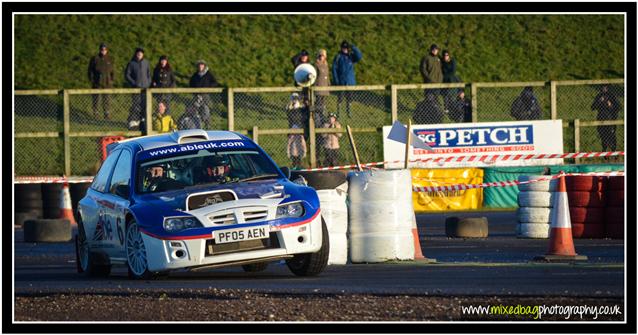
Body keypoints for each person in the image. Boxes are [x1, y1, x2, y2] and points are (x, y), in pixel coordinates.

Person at [332, 40, 362, 118]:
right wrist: (336, 81)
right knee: (340, 98)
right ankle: (339, 112)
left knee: (350, 98)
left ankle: (349, 112)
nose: (345, 49)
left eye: (346, 48)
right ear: (341, 48)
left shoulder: (351, 56)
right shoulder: (338, 57)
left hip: (350, 81)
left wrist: (353, 47)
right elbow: (334, 69)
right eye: (343, 48)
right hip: (341, 81)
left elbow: (359, 56)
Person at [125, 47, 151, 130]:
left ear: (143, 54)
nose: (139, 55)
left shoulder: (146, 62)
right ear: (136, 54)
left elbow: (148, 74)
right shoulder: (131, 63)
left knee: (145, 105)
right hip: (136, 89)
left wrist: (148, 83)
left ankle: (144, 120)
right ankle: (134, 121)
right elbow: (127, 75)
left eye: (141, 53)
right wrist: (134, 83)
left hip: (145, 89)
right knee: (136, 105)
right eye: (138, 53)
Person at [189, 60, 219, 129]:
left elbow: (215, 82)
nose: (200, 67)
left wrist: (208, 88)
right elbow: (191, 83)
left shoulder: (208, 74)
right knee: (196, 111)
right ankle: (197, 127)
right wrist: (194, 91)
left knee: (206, 110)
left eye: (202, 65)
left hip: (205, 96)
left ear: (204, 66)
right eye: (199, 65)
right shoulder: (195, 75)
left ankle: (208, 127)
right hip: (197, 96)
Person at [87, 43, 114, 119]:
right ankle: (96, 114)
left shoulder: (110, 59)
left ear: (107, 50)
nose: (103, 51)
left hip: (107, 83)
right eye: (102, 49)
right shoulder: (95, 58)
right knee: (96, 99)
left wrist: (111, 80)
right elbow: (90, 71)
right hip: (97, 83)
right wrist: (92, 80)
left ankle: (107, 114)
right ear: (100, 50)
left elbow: (112, 71)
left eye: (105, 49)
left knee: (107, 99)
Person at [591, 84, 621, 153]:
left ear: (608, 88)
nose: (604, 89)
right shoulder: (599, 96)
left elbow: (618, 107)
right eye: (602, 87)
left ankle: (613, 150)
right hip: (601, 119)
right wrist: (599, 101)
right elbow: (592, 107)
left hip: (611, 118)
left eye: (605, 87)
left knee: (611, 134)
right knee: (603, 135)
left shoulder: (612, 96)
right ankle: (604, 150)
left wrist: (610, 105)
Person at [286, 93, 308, 169]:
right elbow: (289, 114)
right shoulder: (290, 106)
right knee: (292, 144)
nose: (295, 100)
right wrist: (291, 105)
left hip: (300, 128)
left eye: (296, 98)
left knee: (301, 144)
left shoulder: (301, 108)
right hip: (293, 127)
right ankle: (294, 163)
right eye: (293, 98)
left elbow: (304, 115)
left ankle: (301, 161)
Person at [420, 44, 443, 114]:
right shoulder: (426, 58)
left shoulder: (438, 58)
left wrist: (440, 79)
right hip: (429, 83)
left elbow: (440, 69)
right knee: (429, 98)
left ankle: (436, 113)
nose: (436, 51)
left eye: (437, 49)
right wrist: (428, 78)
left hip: (438, 83)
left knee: (436, 98)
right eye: (435, 49)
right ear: (431, 50)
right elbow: (423, 69)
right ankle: (427, 113)